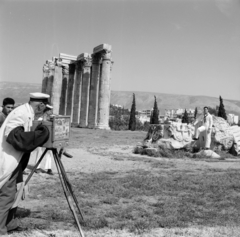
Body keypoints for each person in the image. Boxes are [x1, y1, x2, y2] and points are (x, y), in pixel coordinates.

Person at [0, 92, 50, 235]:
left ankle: (9, 224)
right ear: (41, 105)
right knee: (7, 195)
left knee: (16, 192)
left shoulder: (27, 112)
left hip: (17, 161)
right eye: (44, 107)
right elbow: (14, 137)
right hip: (9, 160)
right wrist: (41, 134)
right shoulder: (20, 113)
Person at [31, 104, 54, 175]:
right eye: (50, 110)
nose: (51, 112)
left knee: (49, 152)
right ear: (47, 111)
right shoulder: (40, 119)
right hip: (41, 138)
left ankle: (48, 168)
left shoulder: (52, 119)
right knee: (39, 151)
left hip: (49, 138)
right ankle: (37, 167)